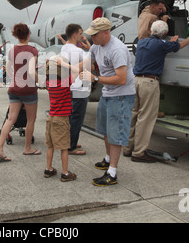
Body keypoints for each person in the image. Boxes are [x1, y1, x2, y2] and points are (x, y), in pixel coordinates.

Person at [124, 21, 189, 162]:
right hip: (149, 82)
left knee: (133, 115)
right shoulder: (162, 45)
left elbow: (162, 44)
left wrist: (169, 42)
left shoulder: (142, 42)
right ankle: (139, 153)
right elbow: (178, 46)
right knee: (146, 118)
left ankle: (127, 148)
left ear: (150, 30)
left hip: (135, 81)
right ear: (165, 33)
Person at [80, 17, 136, 186]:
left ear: (106, 32)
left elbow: (121, 79)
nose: (92, 38)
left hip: (121, 95)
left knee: (115, 133)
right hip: (108, 93)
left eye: (95, 35)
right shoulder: (97, 46)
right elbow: (87, 63)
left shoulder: (117, 49)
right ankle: (107, 158)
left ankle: (112, 172)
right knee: (105, 129)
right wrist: (64, 65)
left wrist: (95, 78)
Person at [0, 23, 40, 161]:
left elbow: (7, 69)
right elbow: (32, 71)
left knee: (10, 119)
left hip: (14, 87)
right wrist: (41, 81)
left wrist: (15, 78)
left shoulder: (12, 50)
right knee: (31, 119)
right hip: (28, 89)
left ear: (16, 35)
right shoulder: (32, 50)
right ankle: (27, 148)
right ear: (28, 35)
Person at [44, 55, 77, 182]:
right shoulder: (64, 83)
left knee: (50, 146)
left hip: (51, 118)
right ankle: (65, 173)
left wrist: (49, 64)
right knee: (64, 147)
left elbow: (48, 73)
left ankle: (49, 169)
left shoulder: (49, 83)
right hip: (62, 119)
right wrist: (64, 64)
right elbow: (75, 70)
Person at [60, 24, 89, 155]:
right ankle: (71, 146)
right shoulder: (79, 51)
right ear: (74, 34)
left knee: (70, 116)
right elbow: (91, 65)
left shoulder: (64, 48)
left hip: (68, 86)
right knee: (77, 117)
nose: (82, 36)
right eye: (80, 33)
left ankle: (69, 140)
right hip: (80, 87)